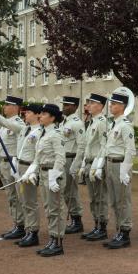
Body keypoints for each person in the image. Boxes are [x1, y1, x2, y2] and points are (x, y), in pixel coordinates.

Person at [0, 102, 42, 247]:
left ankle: (31, 231)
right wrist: (9, 166)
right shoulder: (25, 130)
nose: (25, 115)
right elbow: (17, 149)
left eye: (28, 112)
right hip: (18, 167)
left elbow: (39, 154)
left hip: (29, 169)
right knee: (21, 200)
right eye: (25, 112)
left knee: (29, 202)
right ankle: (24, 228)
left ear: (37, 115)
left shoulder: (36, 130)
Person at [20, 104, 67, 257]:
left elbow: (60, 157)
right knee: (48, 207)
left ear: (52, 117)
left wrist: (54, 177)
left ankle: (57, 242)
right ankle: (53, 239)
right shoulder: (43, 133)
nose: (40, 116)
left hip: (54, 174)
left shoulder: (56, 134)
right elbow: (38, 157)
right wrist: (30, 171)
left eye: (44, 114)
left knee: (56, 208)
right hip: (44, 172)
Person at [94, 87, 137, 249]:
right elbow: (107, 147)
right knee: (113, 200)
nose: (111, 106)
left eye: (114, 103)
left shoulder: (125, 125)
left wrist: (125, 170)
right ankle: (119, 230)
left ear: (122, 106)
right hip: (109, 163)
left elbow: (130, 150)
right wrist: (99, 166)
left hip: (120, 164)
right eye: (111, 103)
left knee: (122, 200)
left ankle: (125, 232)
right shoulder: (113, 124)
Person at [0, 96, 25, 239]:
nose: (4, 107)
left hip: (12, 164)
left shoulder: (19, 123)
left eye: (7, 105)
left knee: (17, 197)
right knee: (11, 197)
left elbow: (7, 124)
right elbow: (1, 147)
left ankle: (21, 225)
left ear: (15, 107)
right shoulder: (5, 125)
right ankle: (16, 223)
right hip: (3, 163)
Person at [79, 93, 109, 241]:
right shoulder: (91, 122)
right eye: (88, 102)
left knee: (100, 196)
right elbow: (87, 146)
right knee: (93, 198)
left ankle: (102, 227)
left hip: (97, 164)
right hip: (90, 162)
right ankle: (96, 224)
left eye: (92, 103)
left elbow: (104, 146)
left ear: (101, 106)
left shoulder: (102, 122)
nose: (88, 105)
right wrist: (84, 163)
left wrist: (98, 166)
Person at [60, 96, 86, 234]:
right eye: (64, 104)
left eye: (67, 105)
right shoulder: (64, 122)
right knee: (65, 191)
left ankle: (77, 220)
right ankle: (74, 218)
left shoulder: (77, 123)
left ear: (75, 107)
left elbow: (82, 146)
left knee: (71, 191)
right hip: (63, 159)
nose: (64, 107)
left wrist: (75, 165)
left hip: (70, 159)